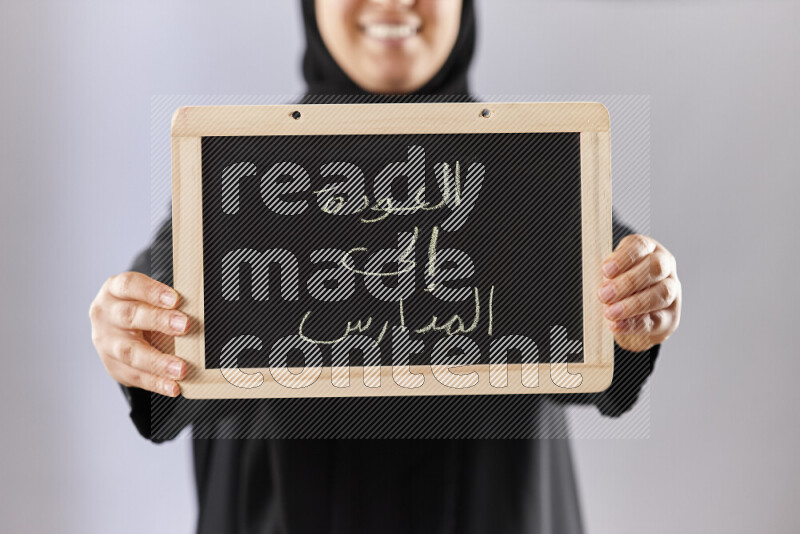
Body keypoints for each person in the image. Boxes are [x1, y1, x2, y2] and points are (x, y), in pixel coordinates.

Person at [89, 0, 682, 532]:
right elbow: (166, 369)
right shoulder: (243, 172)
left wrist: (639, 299)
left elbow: (606, 346)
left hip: (492, 509)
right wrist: (135, 332)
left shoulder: (531, 166)